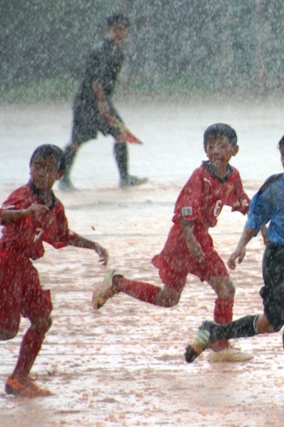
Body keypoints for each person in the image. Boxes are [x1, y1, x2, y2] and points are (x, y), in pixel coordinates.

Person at [184, 125, 284, 397]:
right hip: (278, 258)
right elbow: (255, 217)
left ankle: (213, 332)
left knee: (271, 323)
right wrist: (240, 247)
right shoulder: (276, 186)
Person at [92, 123, 253, 362]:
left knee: (225, 289)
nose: (216, 150)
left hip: (202, 241)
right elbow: (184, 210)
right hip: (181, 241)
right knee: (169, 298)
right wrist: (191, 242)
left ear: (234, 150)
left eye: (222, 145)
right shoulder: (200, 176)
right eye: (211, 146)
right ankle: (117, 283)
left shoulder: (233, 176)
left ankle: (220, 345)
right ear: (205, 150)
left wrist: (265, 229)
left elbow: (244, 204)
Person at [0, 144, 109, 397]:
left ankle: (19, 378)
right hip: (6, 262)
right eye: (37, 166)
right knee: (6, 331)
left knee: (42, 320)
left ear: (59, 175)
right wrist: (25, 213)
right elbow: (2, 215)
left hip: (25, 268)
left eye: (48, 169)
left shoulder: (55, 207)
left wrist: (93, 245)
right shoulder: (23, 195)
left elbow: (62, 235)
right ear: (30, 167)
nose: (41, 173)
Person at [59, 12, 147, 191]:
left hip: (101, 101)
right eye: (115, 29)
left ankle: (124, 177)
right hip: (88, 103)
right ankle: (63, 179)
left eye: (122, 30)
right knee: (76, 140)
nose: (118, 33)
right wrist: (102, 103)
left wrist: (104, 101)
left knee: (120, 134)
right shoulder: (101, 51)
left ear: (127, 33)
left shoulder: (118, 53)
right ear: (108, 30)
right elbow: (95, 81)